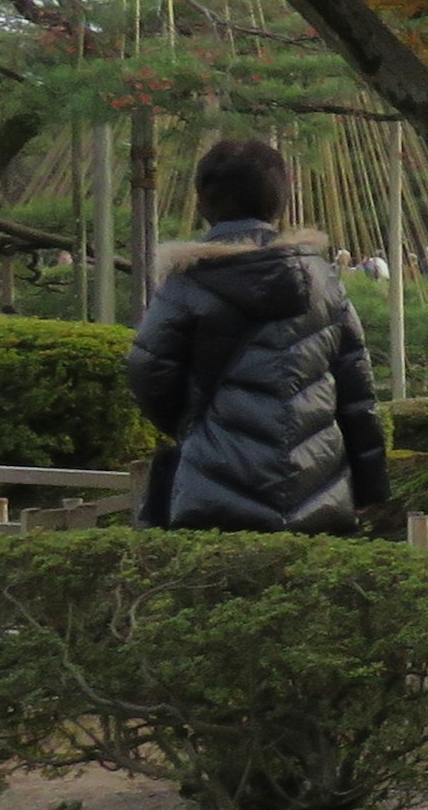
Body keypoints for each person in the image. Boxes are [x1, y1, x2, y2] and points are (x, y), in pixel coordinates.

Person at [127, 135, 391, 534]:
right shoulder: (323, 281)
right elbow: (356, 393)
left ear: (203, 202)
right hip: (318, 489)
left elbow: (148, 370)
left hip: (213, 488)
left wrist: (194, 420)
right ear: (278, 201)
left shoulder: (189, 282)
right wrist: (371, 488)